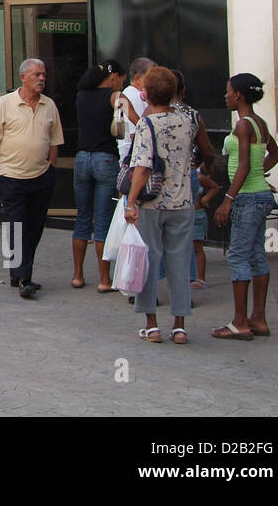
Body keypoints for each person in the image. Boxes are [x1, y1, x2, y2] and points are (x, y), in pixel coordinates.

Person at [122, 66, 196, 343]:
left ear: (146, 94)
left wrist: (130, 202)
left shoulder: (147, 124)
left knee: (149, 261)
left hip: (152, 204)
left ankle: (151, 324)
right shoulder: (186, 121)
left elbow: (141, 167)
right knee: (179, 261)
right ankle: (179, 325)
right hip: (183, 200)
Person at [0, 58, 64, 299]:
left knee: (35, 227)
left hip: (41, 176)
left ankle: (17, 273)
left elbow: (55, 142)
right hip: (11, 176)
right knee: (18, 226)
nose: (41, 79)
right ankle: (24, 277)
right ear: (23, 78)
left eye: (44, 75)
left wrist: (50, 169)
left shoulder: (49, 106)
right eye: (36, 74)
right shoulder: (5, 104)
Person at [212, 72, 278, 341]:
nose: (226, 96)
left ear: (238, 95)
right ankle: (259, 319)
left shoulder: (243, 125)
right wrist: (258, 174)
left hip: (248, 199)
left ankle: (240, 322)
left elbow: (242, 165)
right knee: (256, 255)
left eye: (228, 91)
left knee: (238, 256)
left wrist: (228, 200)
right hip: (260, 195)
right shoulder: (259, 122)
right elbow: (274, 153)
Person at [72, 59, 126, 292]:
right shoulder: (114, 97)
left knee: (82, 219)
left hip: (82, 158)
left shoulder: (81, 96)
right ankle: (104, 279)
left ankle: (77, 275)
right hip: (105, 158)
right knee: (102, 220)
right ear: (113, 77)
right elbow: (123, 126)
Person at [169, 70, 218, 289]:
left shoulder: (151, 113)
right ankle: (186, 282)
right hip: (188, 176)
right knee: (185, 232)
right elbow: (207, 150)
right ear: (183, 89)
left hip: (162, 181)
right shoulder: (192, 114)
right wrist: (207, 166)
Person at [117, 57, 156, 166]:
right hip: (135, 161)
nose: (155, 81)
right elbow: (136, 133)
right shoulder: (136, 97)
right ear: (137, 78)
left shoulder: (127, 93)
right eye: (151, 77)